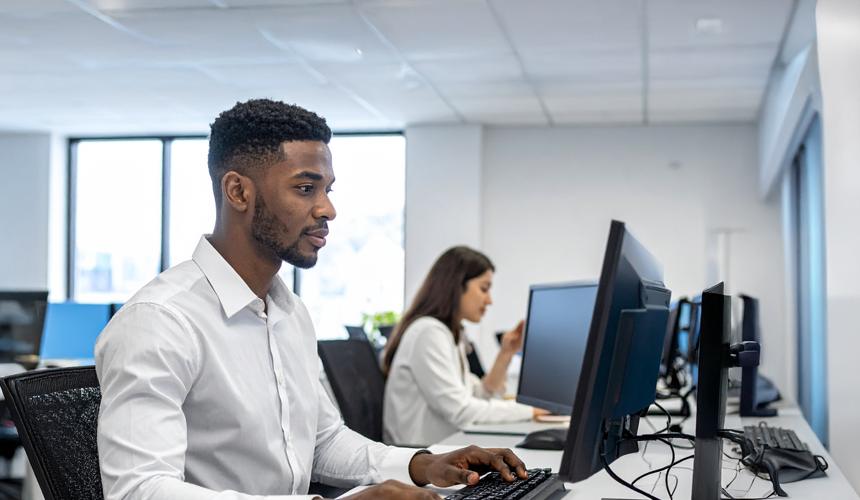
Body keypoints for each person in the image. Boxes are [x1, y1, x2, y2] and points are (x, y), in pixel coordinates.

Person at [95, 99, 531, 500]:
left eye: (328, 190)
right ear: (238, 192)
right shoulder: (160, 320)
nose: (328, 209)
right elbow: (139, 490)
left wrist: (422, 462)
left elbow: (322, 440)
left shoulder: (289, 313)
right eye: (306, 188)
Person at [381, 247, 544, 446]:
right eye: (484, 289)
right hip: (418, 455)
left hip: (439, 448)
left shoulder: (449, 333)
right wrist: (532, 411)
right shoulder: (429, 332)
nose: (489, 300)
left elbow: (478, 395)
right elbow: (461, 411)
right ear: (457, 286)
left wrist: (506, 353)